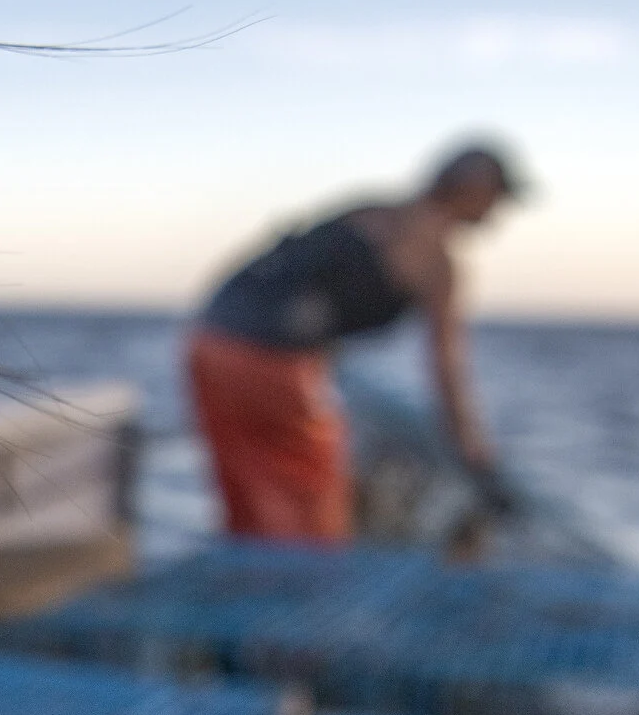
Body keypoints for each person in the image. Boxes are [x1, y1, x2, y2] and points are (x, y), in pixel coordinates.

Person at [185, 141, 527, 543]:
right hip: (274, 363)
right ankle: (302, 590)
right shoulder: (436, 260)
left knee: (248, 496)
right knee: (314, 508)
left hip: (207, 345)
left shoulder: (369, 211)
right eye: (496, 197)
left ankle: (253, 579)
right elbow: (447, 368)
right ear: (473, 189)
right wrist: (474, 454)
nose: (496, 210)